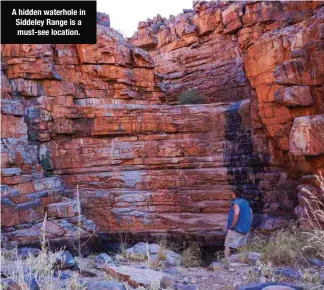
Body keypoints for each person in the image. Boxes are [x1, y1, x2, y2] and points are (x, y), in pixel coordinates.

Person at [224, 186, 253, 258]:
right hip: (245, 228)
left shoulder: (236, 203)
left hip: (236, 228)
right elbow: (251, 212)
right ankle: (244, 260)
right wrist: (248, 224)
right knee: (242, 245)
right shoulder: (245, 202)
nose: (231, 194)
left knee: (227, 245)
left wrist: (232, 225)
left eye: (232, 192)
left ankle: (226, 260)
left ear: (234, 194)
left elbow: (236, 213)